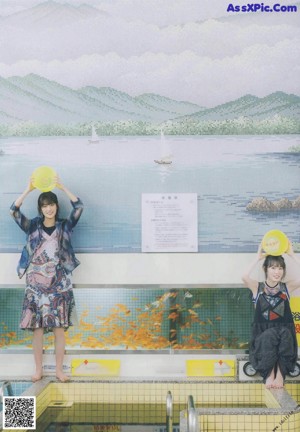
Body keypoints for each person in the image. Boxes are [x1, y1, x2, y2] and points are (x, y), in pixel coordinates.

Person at [10, 177, 83, 382]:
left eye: (51, 205)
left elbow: (79, 207)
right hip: (35, 285)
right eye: (44, 206)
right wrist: (28, 189)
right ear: (40, 209)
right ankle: (38, 369)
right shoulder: (32, 226)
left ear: (56, 206)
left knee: (60, 329)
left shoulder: (64, 227)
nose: (48, 209)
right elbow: (14, 212)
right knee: (38, 329)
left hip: (60, 284)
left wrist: (62, 186)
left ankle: (59, 370)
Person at [242, 240, 300, 388]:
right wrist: (257, 257)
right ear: (266, 269)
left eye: (280, 268)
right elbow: (244, 277)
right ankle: (269, 375)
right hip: (263, 335)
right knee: (269, 337)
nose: (277, 271)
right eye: (273, 267)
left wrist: (293, 255)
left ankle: (280, 376)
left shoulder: (286, 288)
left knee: (285, 335)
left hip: (284, 334)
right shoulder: (257, 287)